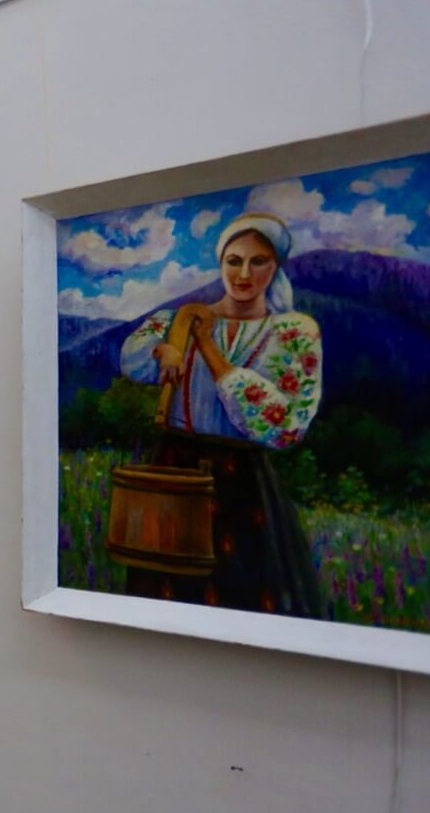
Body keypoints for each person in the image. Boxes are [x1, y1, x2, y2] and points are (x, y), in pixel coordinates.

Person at [118, 212, 325, 616]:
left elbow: (284, 426)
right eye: (234, 260)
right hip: (174, 470)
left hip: (243, 481)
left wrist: (208, 349)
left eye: (258, 261)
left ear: (275, 268)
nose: (244, 273)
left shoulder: (292, 333)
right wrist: (166, 348)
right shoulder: (182, 318)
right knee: (164, 594)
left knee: (244, 592)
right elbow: (133, 358)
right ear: (221, 263)